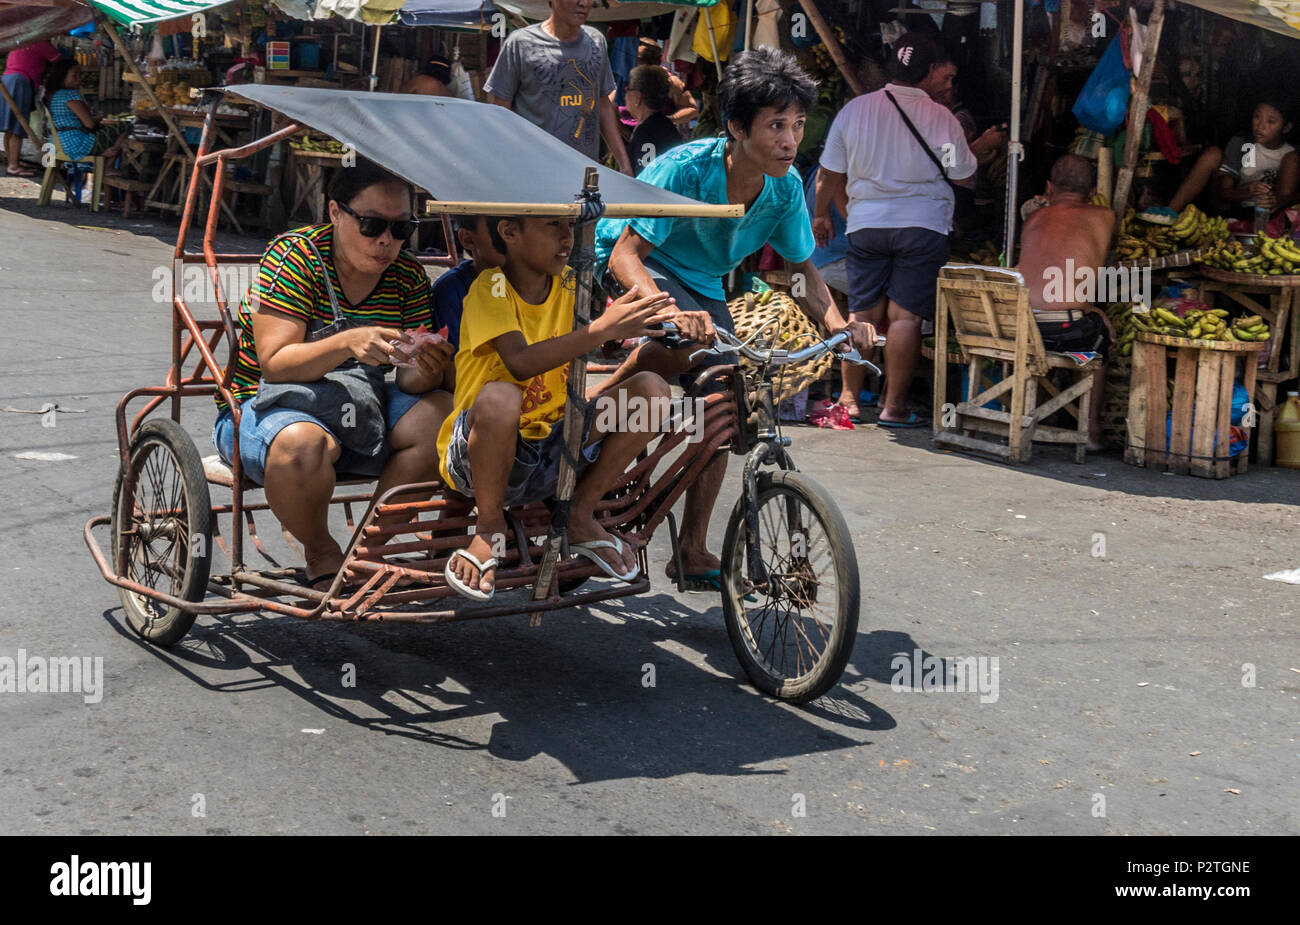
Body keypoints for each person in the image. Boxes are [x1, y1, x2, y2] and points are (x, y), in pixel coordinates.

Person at [594, 47, 874, 590]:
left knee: (720, 404)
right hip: (640, 266)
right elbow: (626, 255)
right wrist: (667, 308)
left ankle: (692, 549)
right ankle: (603, 413)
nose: (790, 140)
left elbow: (805, 273)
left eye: (796, 125)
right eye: (775, 126)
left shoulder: (786, 187)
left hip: (702, 284)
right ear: (737, 127)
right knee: (691, 351)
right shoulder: (686, 168)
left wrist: (839, 325)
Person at [212, 160, 453, 589]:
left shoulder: (408, 275)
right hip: (270, 403)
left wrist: (427, 367)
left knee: (444, 414)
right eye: (372, 224)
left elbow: (412, 385)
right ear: (336, 212)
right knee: (303, 443)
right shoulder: (296, 256)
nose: (386, 241)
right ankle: (322, 552)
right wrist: (346, 342)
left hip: (365, 403)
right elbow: (276, 362)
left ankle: (370, 551)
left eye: (402, 229)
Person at [436, 215, 676, 600]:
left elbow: (594, 338)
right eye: (553, 226)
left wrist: (643, 325)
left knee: (651, 390)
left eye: (571, 227)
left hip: (556, 443)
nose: (567, 238)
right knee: (502, 396)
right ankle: (489, 526)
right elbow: (519, 362)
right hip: (481, 455)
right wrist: (602, 330)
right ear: (510, 232)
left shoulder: (569, 283)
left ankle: (580, 514)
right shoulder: (491, 286)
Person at [814, 33, 984, 427]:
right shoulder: (941, 117)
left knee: (861, 312)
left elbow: (828, 173)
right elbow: (963, 174)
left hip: (866, 225)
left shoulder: (854, 111)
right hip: (922, 225)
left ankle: (849, 400)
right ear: (928, 71)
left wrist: (821, 214)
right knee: (905, 318)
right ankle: (893, 408)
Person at [1015, 155, 1115, 451]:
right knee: (1101, 338)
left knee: (1086, 320)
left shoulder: (1033, 218)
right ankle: (1092, 432)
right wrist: (1095, 310)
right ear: (1093, 189)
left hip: (1021, 329)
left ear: (1049, 187)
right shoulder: (1105, 216)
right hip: (1064, 331)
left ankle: (1038, 414)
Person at [485, 0, 633, 174]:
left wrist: (624, 164)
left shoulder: (596, 42)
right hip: (533, 172)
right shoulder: (520, 44)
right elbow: (500, 113)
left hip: (583, 175)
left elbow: (603, 105)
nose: (584, 3)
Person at [1168, 100, 1298, 219]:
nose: (1260, 126)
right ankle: (1169, 212)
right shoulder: (1242, 144)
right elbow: (1223, 193)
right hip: (1235, 211)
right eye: (1257, 117)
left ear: (1286, 127)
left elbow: (1289, 195)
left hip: (1273, 215)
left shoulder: (1292, 154)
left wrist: (1279, 200)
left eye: (1271, 122)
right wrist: (1248, 192)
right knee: (1213, 153)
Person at [431, 214, 507, 351]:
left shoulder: (540, 282)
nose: (512, 236)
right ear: (467, 238)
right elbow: (451, 365)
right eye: (499, 229)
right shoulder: (451, 292)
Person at [43, 59, 129, 168]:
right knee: (125, 126)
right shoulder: (69, 95)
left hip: (56, 144)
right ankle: (108, 166)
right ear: (62, 77)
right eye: (74, 76)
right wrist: (98, 117)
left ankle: (105, 157)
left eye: (80, 75)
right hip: (75, 145)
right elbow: (90, 124)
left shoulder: (53, 95)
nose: (79, 79)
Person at [1, 39, 60, 177]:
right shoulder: (40, 42)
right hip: (19, 81)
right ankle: (13, 166)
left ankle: (13, 161)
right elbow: (59, 60)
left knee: (10, 127)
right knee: (17, 126)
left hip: (7, 79)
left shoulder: (20, 41)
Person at [624, 65, 683, 175]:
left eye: (628, 89)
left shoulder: (646, 133)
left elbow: (645, 178)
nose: (625, 93)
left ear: (638, 97)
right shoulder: (663, 125)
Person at [636, 37, 699, 129]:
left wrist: (667, 121)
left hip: (662, 137)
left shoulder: (670, 82)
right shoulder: (629, 80)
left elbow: (693, 109)